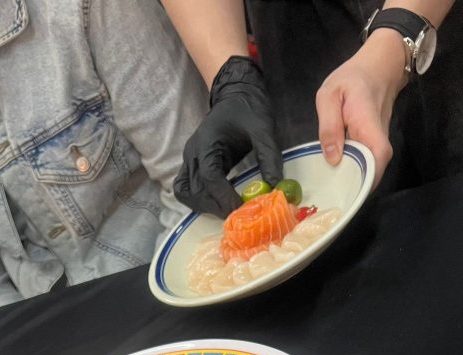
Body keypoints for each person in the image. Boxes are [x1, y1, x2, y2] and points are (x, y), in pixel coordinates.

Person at [0, 0, 207, 315]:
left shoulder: (76, 11)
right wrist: (25, 343)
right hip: (48, 334)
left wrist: (158, 319)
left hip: (173, 290)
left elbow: (192, 177)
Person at [162, 0, 460, 218]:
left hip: (434, 22)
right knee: (334, 215)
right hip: (291, 33)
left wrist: (398, 35)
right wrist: (231, 77)